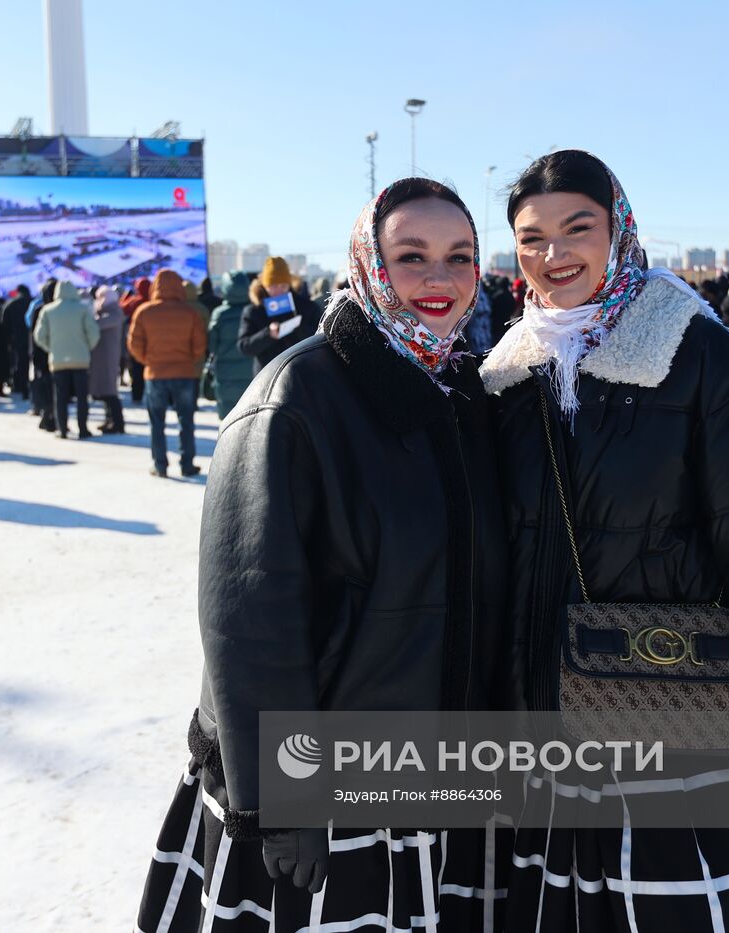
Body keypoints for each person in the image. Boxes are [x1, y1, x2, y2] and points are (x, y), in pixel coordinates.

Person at [480, 150, 729, 931]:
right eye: (531, 238)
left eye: (577, 228)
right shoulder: (506, 374)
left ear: (618, 229)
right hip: (538, 746)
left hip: (672, 733)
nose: (554, 256)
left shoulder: (702, 359)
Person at [136, 178, 506, 932]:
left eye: (459, 256)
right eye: (412, 256)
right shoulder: (296, 397)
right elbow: (249, 618)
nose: (440, 278)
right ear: (369, 263)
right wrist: (277, 797)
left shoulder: (463, 389)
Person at [126, 270, 206, 477]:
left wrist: (148, 361)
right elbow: (199, 346)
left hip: (155, 373)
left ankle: (160, 465)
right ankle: (187, 464)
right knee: (186, 421)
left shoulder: (144, 311)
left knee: (156, 423)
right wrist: (188, 360)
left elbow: (134, 344)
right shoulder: (190, 313)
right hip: (185, 372)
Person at [34, 281, 100, 439]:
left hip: (58, 360)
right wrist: (86, 347)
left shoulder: (48, 310)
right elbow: (94, 334)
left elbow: (39, 336)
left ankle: (62, 429)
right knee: (82, 397)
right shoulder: (82, 309)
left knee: (60, 397)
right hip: (81, 359)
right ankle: (83, 428)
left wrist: (52, 348)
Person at [236, 257, 320, 376]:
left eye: (283, 285)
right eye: (273, 286)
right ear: (264, 286)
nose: (279, 291)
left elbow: (319, 339)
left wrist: (297, 326)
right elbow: (244, 347)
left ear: (289, 284)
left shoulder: (306, 307)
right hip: (267, 378)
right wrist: (267, 334)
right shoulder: (253, 311)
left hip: (301, 375)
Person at [206, 271, 256, 419]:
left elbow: (212, 346)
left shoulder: (219, 314)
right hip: (250, 370)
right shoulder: (253, 311)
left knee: (227, 418)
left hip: (225, 372)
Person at [89, 286, 126, 433]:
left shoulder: (114, 312)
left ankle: (117, 422)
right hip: (102, 356)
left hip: (108, 357)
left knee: (110, 391)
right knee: (105, 391)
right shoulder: (106, 312)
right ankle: (109, 419)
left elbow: (99, 325)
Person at [27, 280, 58, 428]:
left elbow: (34, 334)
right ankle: (52, 416)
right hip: (58, 353)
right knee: (56, 387)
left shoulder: (40, 309)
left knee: (45, 385)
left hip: (42, 353)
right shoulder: (60, 309)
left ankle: (47, 414)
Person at [120, 276, 153, 402]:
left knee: (136, 369)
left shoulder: (134, 301)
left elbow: (122, 307)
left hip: (137, 340)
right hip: (152, 341)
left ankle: (137, 395)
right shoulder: (153, 301)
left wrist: (125, 296)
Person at [4, 284, 34, 402]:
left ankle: (21, 386)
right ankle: (34, 387)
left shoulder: (11, 304)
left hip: (17, 338)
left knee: (20, 363)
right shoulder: (33, 303)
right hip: (33, 338)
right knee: (36, 364)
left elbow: (4, 322)